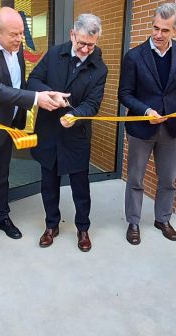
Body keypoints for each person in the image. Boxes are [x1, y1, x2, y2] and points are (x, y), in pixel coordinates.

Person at [0, 6, 67, 253]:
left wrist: (45, 93)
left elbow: (20, 83)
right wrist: (35, 98)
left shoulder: (16, 50)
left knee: (1, 178)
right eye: (14, 34)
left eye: (21, 33)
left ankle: (2, 217)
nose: (20, 39)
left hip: (7, 127)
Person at [118, 2, 176, 245]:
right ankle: (133, 222)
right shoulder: (134, 56)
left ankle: (162, 219)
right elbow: (124, 94)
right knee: (136, 179)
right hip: (141, 129)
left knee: (168, 178)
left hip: (171, 130)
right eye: (155, 28)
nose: (158, 34)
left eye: (164, 30)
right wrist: (145, 110)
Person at [26, 13, 107, 252]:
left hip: (76, 134)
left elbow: (93, 103)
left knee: (80, 187)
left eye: (90, 45)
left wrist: (76, 114)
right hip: (49, 131)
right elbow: (34, 80)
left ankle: (83, 228)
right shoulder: (54, 54)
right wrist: (49, 94)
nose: (84, 49)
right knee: (48, 183)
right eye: (80, 42)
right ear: (72, 34)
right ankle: (51, 225)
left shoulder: (99, 68)